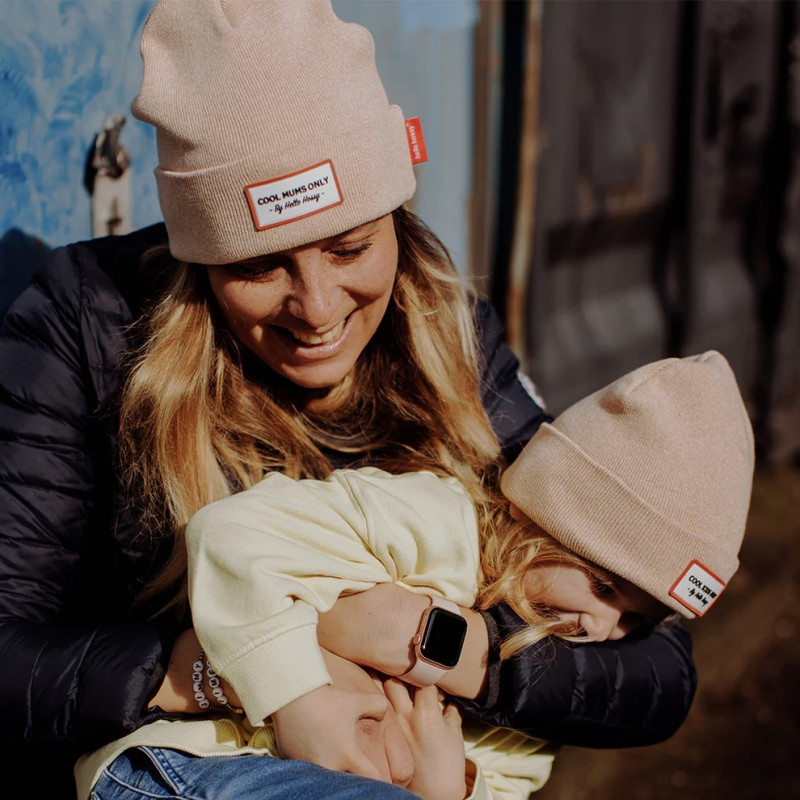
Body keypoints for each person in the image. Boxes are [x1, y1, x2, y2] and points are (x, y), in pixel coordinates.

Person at [0, 1, 696, 798]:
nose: (319, 308)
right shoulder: (89, 325)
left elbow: (662, 667)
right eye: (259, 267)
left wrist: (446, 647)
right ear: (200, 260)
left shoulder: (448, 336)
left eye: (350, 247)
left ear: (396, 218)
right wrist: (247, 671)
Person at [75, 350, 753, 800]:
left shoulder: (541, 687)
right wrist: (298, 700)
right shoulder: (431, 522)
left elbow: (510, 778)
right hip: (194, 767)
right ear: (547, 524)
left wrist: (453, 785)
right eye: (604, 588)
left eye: (634, 619)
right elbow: (235, 536)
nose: (603, 629)